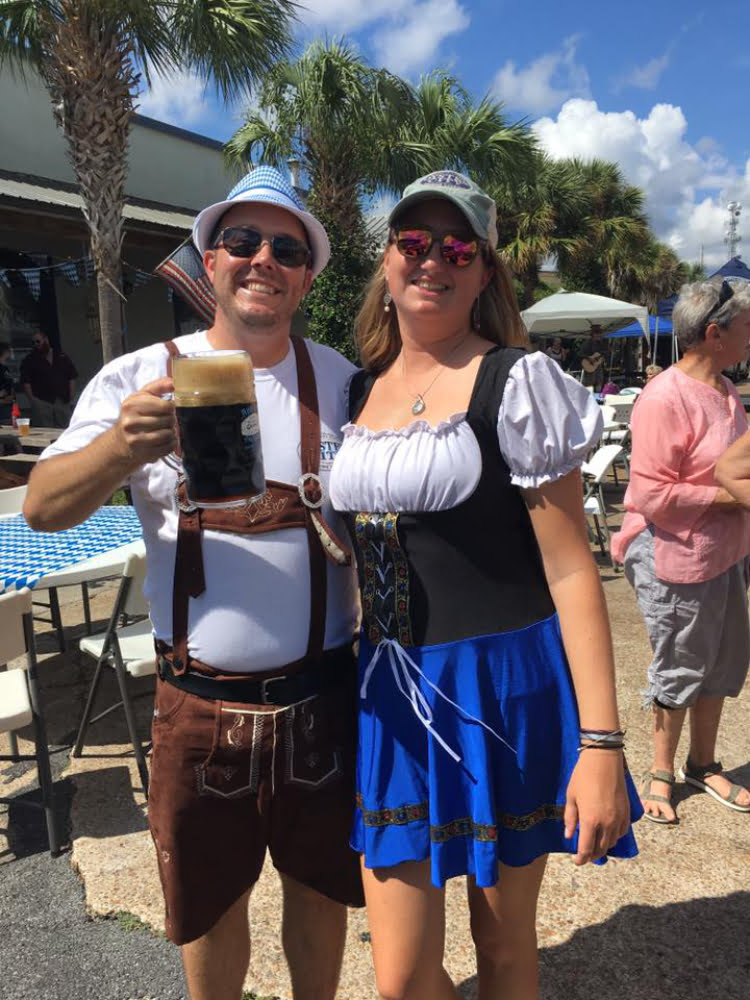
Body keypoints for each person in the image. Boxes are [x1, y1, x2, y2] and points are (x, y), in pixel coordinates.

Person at [23, 166, 364, 1000]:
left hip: (325, 696)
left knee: (322, 894)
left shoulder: (344, 380)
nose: (263, 261)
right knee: (211, 909)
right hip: (200, 706)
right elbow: (41, 507)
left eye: (286, 248)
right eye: (241, 242)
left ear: (307, 275)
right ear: (208, 259)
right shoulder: (140, 374)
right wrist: (118, 450)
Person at [329, 170, 640, 1000]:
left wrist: (602, 746)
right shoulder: (356, 392)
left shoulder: (516, 381)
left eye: (459, 247)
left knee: (501, 948)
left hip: (504, 689)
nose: (436, 259)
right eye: (415, 242)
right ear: (387, 260)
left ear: (485, 273)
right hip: (389, 693)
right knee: (398, 978)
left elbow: (574, 567)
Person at [612, 278, 750, 823]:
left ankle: (703, 762)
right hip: (678, 553)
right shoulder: (664, 397)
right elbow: (650, 494)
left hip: (724, 552)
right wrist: (730, 496)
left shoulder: (725, 389)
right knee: (682, 663)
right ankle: (660, 772)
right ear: (714, 333)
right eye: (746, 329)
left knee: (721, 660)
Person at [20, 330, 77, 427]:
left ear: (46, 340)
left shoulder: (61, 356)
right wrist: (33, 400)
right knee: (45, 431)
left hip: (62, 400)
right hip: (42, 401)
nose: (36, 344)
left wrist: (72, 393)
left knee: (65, 429)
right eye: (33, 343)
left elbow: (71, 375)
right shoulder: (29, 360)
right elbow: (26, 381)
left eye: (38, 341)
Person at [580, 325, 606, 391]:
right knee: (589, 383)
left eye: (599, 333)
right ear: (593, 334)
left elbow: (602, 353)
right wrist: (589, 358)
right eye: (597, 333)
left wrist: (602, 357)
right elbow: (581, 354)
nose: (599, 335)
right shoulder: (587, 343)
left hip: (598, 365)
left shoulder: (601, 343)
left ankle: (598, 395)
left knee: (599, 380)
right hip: (589, 365)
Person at [0, 340, 15, 424]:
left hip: (8, 406)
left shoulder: (5, 368)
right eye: (9, 350)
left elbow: (9, 383)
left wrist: (11, 395)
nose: (10, 353)